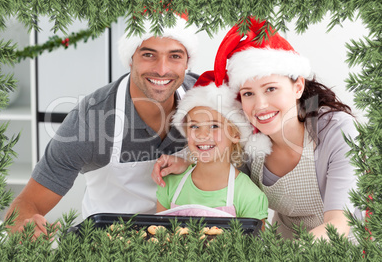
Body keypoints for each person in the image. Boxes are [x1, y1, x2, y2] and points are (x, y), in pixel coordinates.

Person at [152, 17, 361, 241]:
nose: (260, 105)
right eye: (248, 93)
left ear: (298, 86)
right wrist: (187, 163)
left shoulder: (337, 130)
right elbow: (218, 161)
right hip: (282, 243)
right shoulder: (250, 141)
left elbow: (339, 224)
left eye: (271, 88)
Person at [5, 14, 200, 238]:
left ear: (187, 62)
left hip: (188, 240)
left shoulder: (206, 98)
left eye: (175, 56)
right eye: (148, 54)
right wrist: (24, 226)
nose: (162, 69)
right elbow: (27, 203)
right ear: (131, 59)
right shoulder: (91, 120)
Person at [155, 79, 270, 226]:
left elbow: (253, 248)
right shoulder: (170, 184)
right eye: (194, 126)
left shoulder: (249, 196)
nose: (202, 135)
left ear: (236, 134)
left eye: (214, 126)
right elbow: (157, 238)